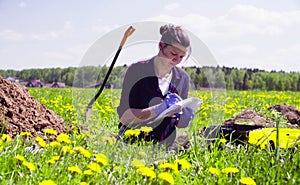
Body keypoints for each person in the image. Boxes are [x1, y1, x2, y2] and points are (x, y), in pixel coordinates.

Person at [116, 24, 195, 150]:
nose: (177, 60)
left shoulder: (183, 78)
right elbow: (125, 117)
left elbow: (177, 121)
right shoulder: (137, 71)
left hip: (164, 146)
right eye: (173, 53)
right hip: (133, 143)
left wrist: (183, 118)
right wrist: (158, 109)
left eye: (181, 57)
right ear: (161, 46)